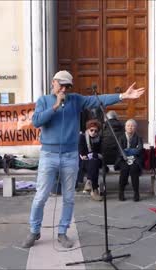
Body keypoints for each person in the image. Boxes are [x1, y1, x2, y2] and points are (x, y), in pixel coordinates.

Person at [22, 70, 144, 249]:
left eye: (67, 86)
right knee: (41, 196)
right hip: (49, 155)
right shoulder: (43, 101)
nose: (64, 89)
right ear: (53, 82)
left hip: (70, 155)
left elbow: (99, 100)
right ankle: (34, 230)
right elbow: (37, 121)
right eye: (61, 84)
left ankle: (63, 232)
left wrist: (122, 96)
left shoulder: (76, 100)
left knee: (69, 197)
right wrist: (55, 105)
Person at [117, 119, 143, 202]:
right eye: (128, 126)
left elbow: (139, 150)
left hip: (135, 159)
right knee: (124, 170)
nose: (130, 127)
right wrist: (132, 150)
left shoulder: (138, 138)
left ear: (135, 128)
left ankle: (136, 192)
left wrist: (127, 150)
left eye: (132, 126)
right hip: (123, 159)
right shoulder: (121, 137)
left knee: (134, 169)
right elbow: (120, 150)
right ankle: (121, 191)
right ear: (125, 127)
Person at [77, 119, 103, 201]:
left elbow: (102, 153)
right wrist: (84, 155)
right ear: (88, 130)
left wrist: (93, 154)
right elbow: (81, 151)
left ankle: (89, 181)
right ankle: (94, 190)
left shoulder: (100, 139)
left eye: (96, 131)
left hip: (97, 160)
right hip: (84, 162)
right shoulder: (82, 137)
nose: (93, 132)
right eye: (91, 130)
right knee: (92, 163)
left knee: (94, 161)